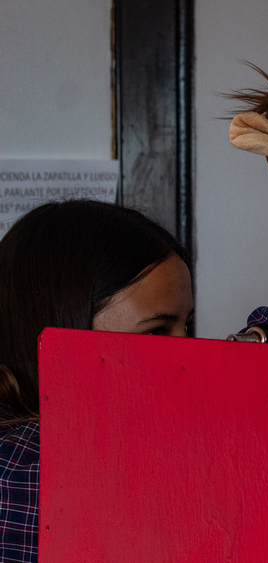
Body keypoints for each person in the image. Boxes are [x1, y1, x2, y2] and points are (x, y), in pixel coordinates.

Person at [0, 200, 193, 563]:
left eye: (187, 326)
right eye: (156, 332)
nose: (190, 355)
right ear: (66, 326)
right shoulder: (32, 469)